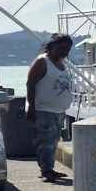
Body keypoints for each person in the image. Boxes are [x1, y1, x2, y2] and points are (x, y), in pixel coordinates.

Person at [26, 34, 74, 183]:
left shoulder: (61, 62)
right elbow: (30, 84)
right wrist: (31, 107)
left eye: (67, 49)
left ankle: (49, 169)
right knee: (45, 142)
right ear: (52, 45)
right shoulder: (42, 61)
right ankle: (46, 171)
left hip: (58, 110)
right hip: (44, 109)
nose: (65, 52)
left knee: (53, 141)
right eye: (62, 48)